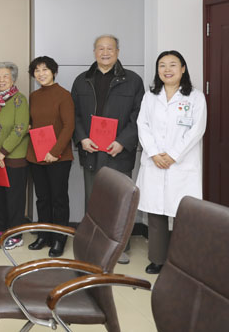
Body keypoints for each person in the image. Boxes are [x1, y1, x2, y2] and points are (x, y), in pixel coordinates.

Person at [71, 34, 144, 264]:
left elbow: (139, 117)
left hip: (118, 151)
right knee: (93, 201)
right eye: (100, 48)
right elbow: (75, 115)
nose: (105, 52)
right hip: (91, 150)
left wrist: (122, 141)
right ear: (94, 52)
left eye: (109, 48)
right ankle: (94, 246)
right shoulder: (82, 80)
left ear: (117, 52)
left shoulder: (133, 80)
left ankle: (119, 249)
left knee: (119, 201)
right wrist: (82, 138)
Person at [136, 51, 206, 275]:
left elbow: (197, 130)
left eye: (173, 65)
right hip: (155, 161)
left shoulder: (195, 97)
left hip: (181, 164)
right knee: (156, 213)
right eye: (162, 65)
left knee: (183, 214)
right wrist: (155, 153)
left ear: (183, 69)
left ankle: (183, 262)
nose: (167, 69)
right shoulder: (150, 97)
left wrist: (173, 155)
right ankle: (157, 259)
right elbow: (142, 125)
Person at [26, 56, 74, 257]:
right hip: (36, 155)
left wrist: (55, 152)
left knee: (58, 199)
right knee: (42, 199)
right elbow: (33, 121)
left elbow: (69, 126)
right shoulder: (34, 96)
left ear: (53, 72)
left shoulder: (64, 95)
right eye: (37, 71)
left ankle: (59, 239)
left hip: (58, 157)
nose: (41, 74)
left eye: (45, 69)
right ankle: (43, 235)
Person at [0, 62, 29, 249]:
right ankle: (0, 228)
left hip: (13, 158)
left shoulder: (19, 100)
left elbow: (20, 128)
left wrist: (3, 152)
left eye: (6, 76)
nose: (1, 80)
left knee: (14, 198)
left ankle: (16, 234)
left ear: (13, 79)